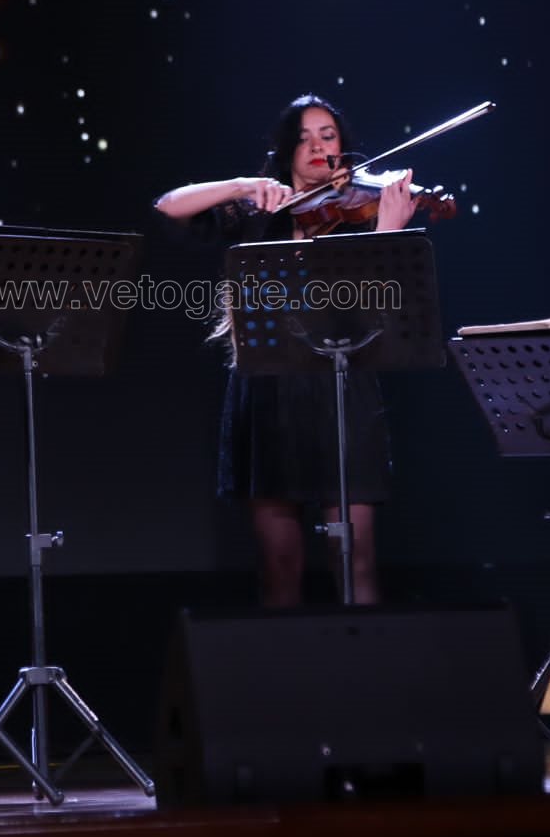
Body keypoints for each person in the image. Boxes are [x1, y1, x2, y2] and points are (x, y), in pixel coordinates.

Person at [153, 94, 419, 607]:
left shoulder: (363, 212)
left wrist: (388, 231)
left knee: (356, 557)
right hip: (268, 391)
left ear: (343, 148)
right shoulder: (260, 211)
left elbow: (382, 307)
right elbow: (169, 207)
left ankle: (366, 655)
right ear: (286, 151)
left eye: (327, 136)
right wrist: (242, 185)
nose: (317, 146)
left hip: (343, 386)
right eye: (303, 138)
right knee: (279, 563)